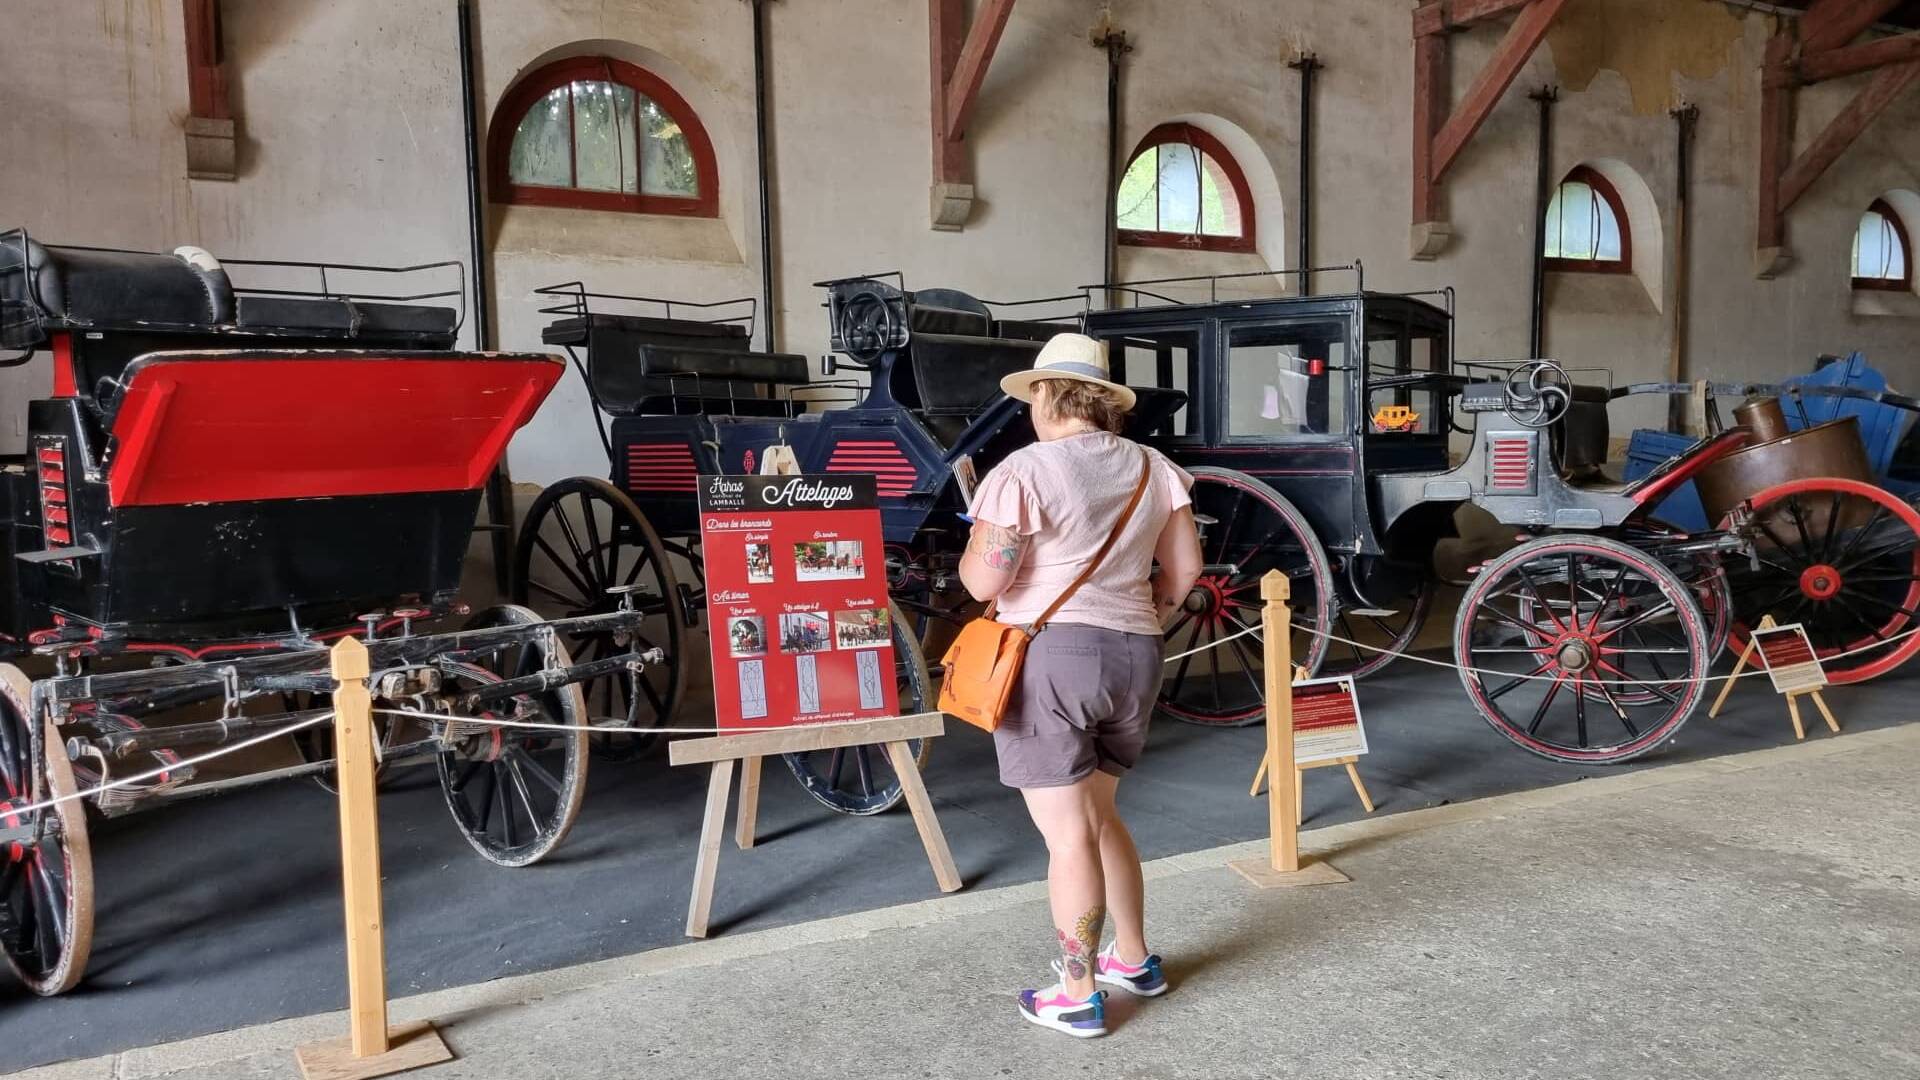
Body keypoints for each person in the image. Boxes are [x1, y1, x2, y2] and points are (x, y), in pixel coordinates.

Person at [957, 332, 1203, 1039]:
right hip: (1137, 654)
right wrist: (1138, 615)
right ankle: (1135, 960)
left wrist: (981, 551)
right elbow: (1184, 573)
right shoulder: (1156, 467)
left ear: (1045, 395)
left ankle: (1077, 993)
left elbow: (985, 581)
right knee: (1102, 818)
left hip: (1052, 659)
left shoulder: (1023, 471)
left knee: (1067, 838)